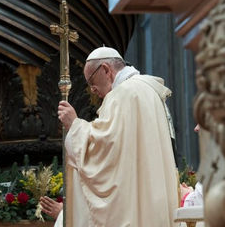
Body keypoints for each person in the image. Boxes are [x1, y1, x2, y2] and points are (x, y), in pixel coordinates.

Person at [58, 46, 178, 227]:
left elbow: (104, 149)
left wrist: (74, 126)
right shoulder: (150, 90)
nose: (92, 90)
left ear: (106, 70)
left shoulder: (120, 96)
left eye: (91, 81)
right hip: (155, 196)